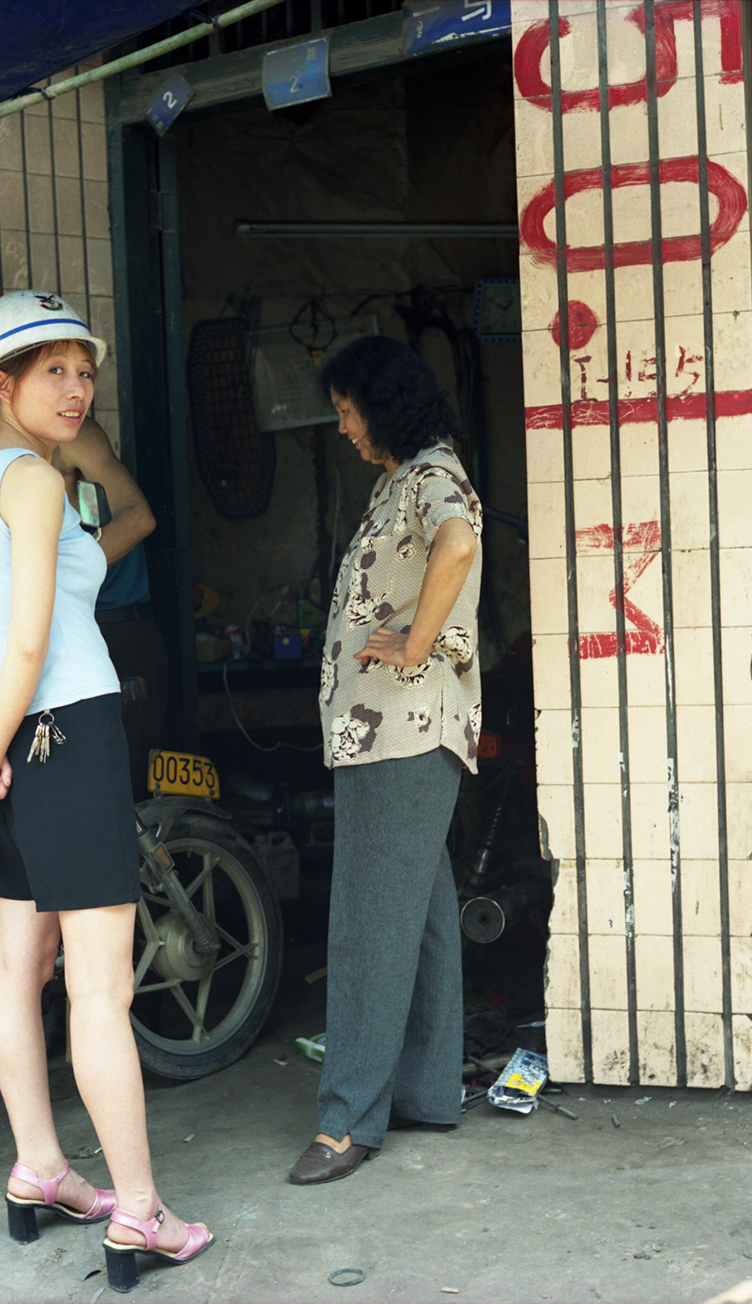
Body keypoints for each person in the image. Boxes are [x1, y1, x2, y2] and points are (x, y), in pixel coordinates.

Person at [0, 290, 212, 1289]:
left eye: (83, 370)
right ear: (0, 384)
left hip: (13, 741)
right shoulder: (37, 483)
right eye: (53, 370)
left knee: (19, 966)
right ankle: (139, 1211)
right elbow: (28, 640)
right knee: (97, 987)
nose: (76, 387)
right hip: (69, 732)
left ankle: (40, 1167)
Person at [287, 335, 483, 1187]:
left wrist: (415, 642)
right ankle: (424, 1094)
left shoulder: (432, 475)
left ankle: (345, 1123)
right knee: (423, 916)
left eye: (346, 411)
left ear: (384, 404)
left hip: (399, 732)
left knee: (368, 923)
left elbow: (458, 544)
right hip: (391, 734)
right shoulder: (404, 476)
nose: (341, 427)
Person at [0, 328, 166, 800]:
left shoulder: (66, 441)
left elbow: (139, 517)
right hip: (41, 647)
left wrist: (51, 574)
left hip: (111, 621)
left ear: (2, 389)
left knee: (125, 795)